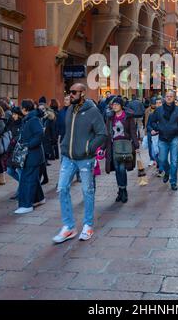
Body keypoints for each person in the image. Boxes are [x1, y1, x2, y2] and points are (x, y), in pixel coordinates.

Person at [53, 83, 107, 244]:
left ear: (82, 93)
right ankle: (69, 226)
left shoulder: (93, 111)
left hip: (85, 159)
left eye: (74, 92)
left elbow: (102, 134)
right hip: (68, 158)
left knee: (87, 191)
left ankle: (88, 225)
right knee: (62, 189)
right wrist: (63, 147)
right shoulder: (70, 109)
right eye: (69, 92)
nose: (70, 95)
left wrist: (88, 148)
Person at [150, 90, 178, 191]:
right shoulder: (159, 110)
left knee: (174, 161)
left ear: (174, 98)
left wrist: (177, 128)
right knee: (162, 159)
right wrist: (158, 128)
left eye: (171, 96)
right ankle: (167, 171)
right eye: (167, 96)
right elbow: (152, 122)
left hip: (174, 137)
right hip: (162, 138)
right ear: (164, 98)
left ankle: (173, 182)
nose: (169, 98)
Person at [105, 97, 139, 203]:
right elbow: (107, 132)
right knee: (116, 169)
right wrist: (102, 147)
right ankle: (120, 190)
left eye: (116, 104)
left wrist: (136, 145)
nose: (114, 106)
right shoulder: (110, 117)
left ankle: (124, 190)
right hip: (114, 146)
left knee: (121, 168)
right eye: (113, 105)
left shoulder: (128, 117)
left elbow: (133, 131)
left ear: (121, 106)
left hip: (125, 146)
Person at [15, 99, 45, 214]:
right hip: (31, 154)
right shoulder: (30, 118)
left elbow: (39, 134)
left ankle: (26, 205)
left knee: (27, 179)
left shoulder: (33, 119)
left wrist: (28, 145)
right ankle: (39, 199)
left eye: (21, 107)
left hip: (32, 155)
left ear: (24, 109)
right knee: (32, 178)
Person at [5, 106, 23, 200]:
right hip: (12, 151)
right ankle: (23, 184)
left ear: (19, 115)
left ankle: (20, 191)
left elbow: (19, 137)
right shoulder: (12, 122)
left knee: (20, 172)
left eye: (15, 114)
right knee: (9, 170)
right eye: (13, 114)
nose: (13, 116)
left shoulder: (23, 123)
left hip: (19, 151)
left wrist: (14, 140)